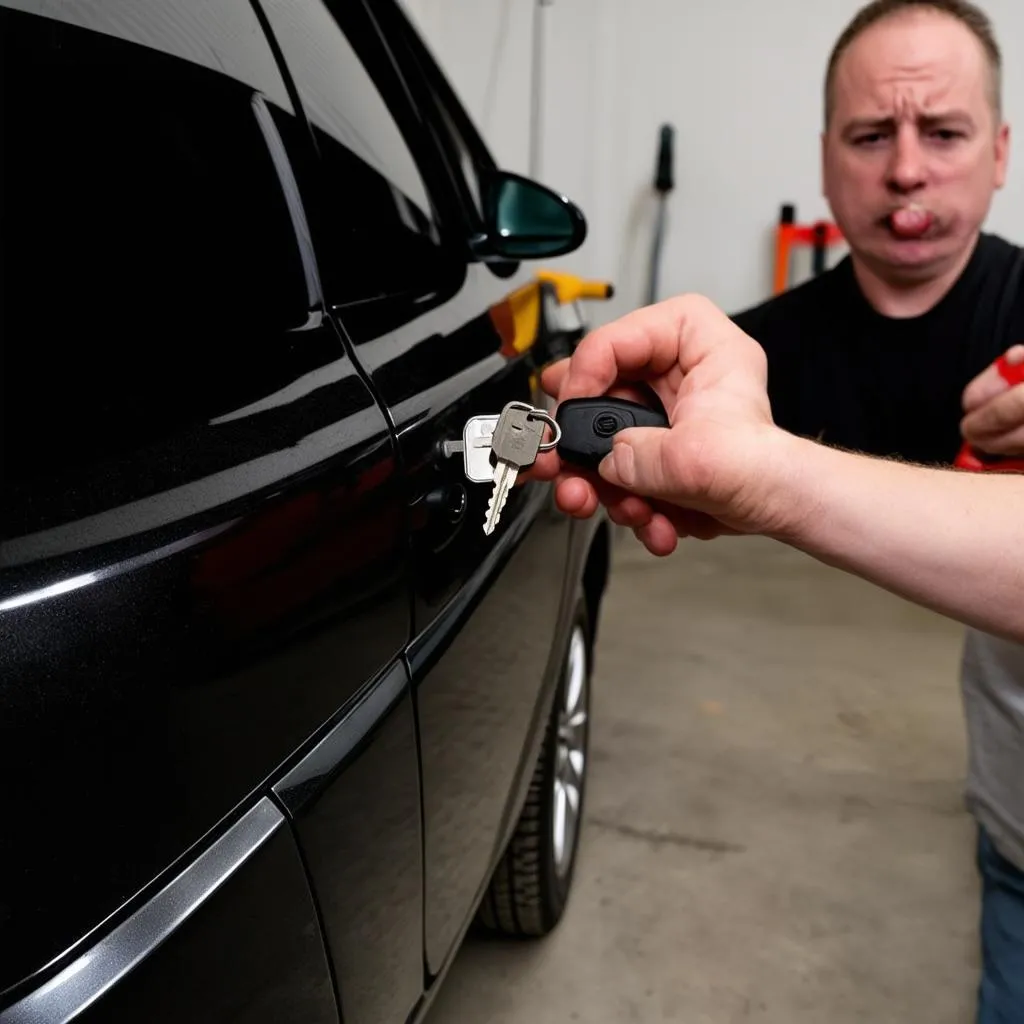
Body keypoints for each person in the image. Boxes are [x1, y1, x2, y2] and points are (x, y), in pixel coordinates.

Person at [536, 0, 1024, 1019]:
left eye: (942, 131)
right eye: (869, 135)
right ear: (824, 156)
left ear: (999, 153)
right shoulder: (756, 357)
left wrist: (771, 481)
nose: (904, 170)